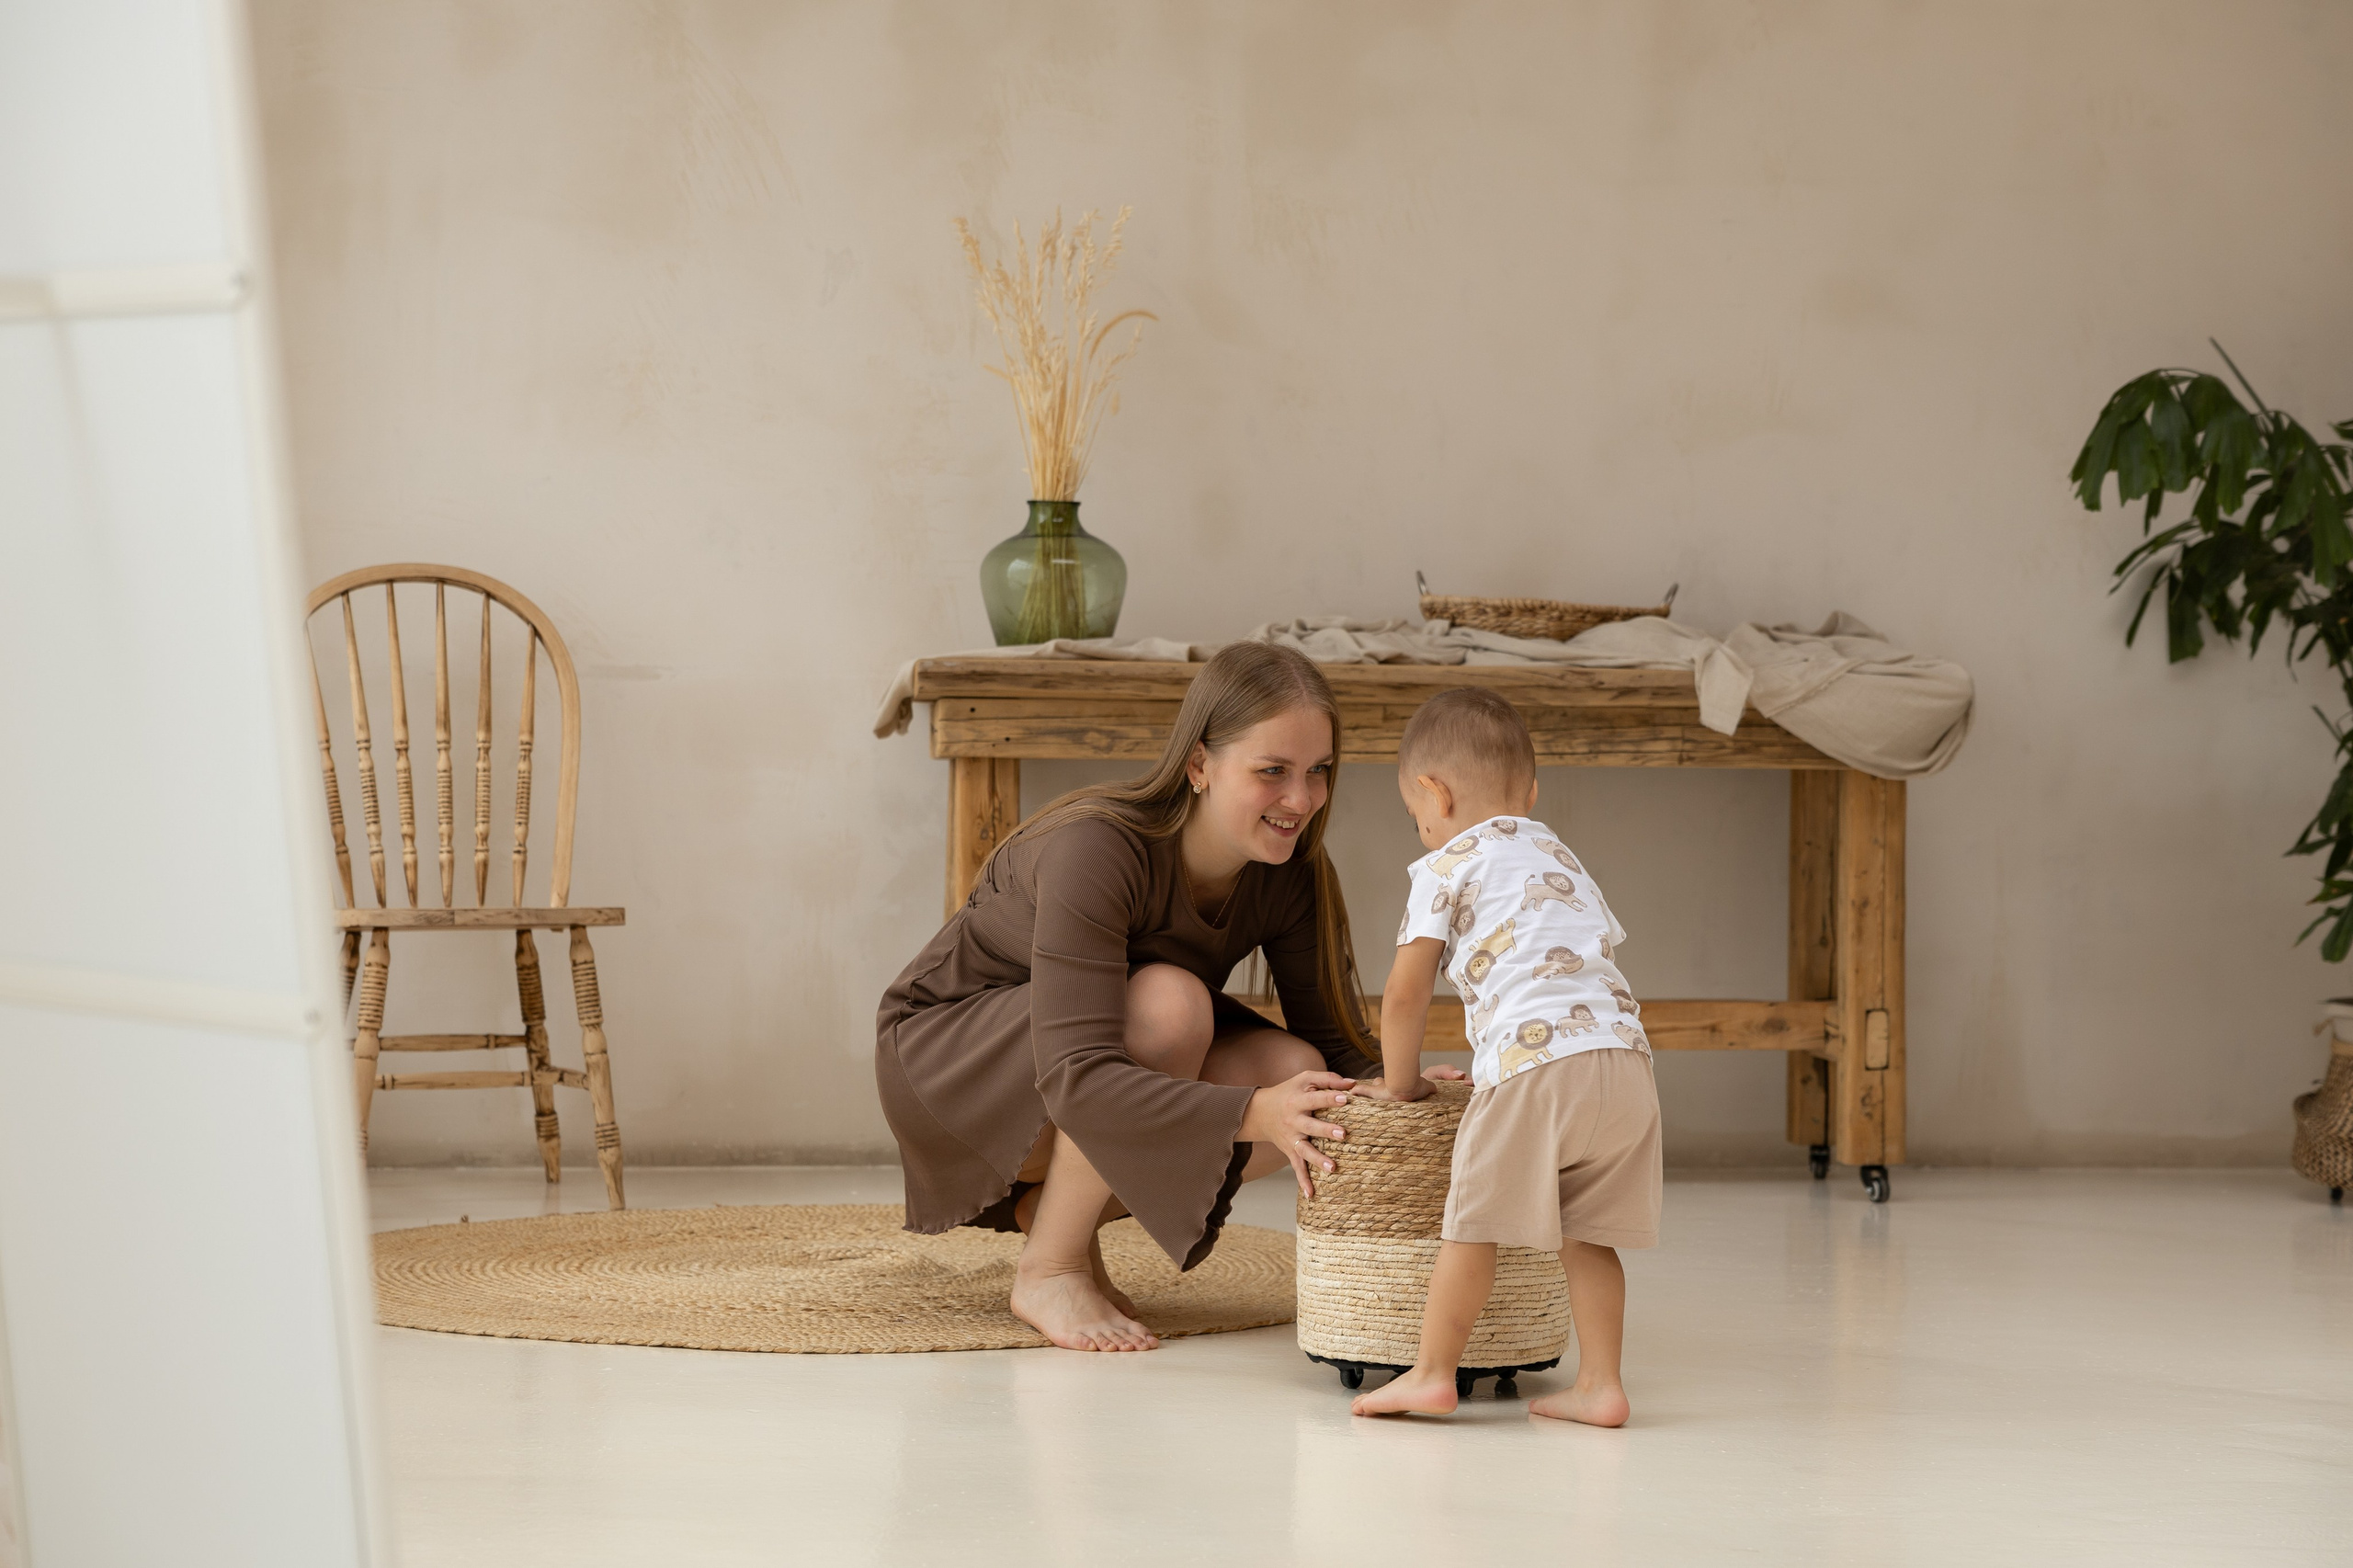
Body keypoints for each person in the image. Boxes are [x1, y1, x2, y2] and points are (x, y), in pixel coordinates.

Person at [876, 642, 1457, 1351]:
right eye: (1272, 771)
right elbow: (1080, 1072)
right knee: (1172, 1007)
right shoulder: (1097, 849)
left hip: (1079, 1064)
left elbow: (1335, 1050)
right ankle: (1051, 1266)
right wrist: (1251, 1113)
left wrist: (1403, 1086)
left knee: (1300, 1073)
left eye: (1318, 772)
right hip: (949, 1065)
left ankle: (1053, 1215)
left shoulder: (1292, 870)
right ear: (1200, 765)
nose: (1301, 800)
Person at [1348, 687, 1662, 1425]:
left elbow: (1404, 994)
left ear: (1434, 794)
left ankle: (1431, 1373)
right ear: (1529, 792)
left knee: (1473, 1224)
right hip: (1625, 1063)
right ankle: (1602, 1386)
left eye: (1415, 816)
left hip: (1535, 1068)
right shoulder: (1556, 852)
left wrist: (1401, 1087)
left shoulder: (1444, 865)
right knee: (1590, 1236)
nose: (1421, 830)